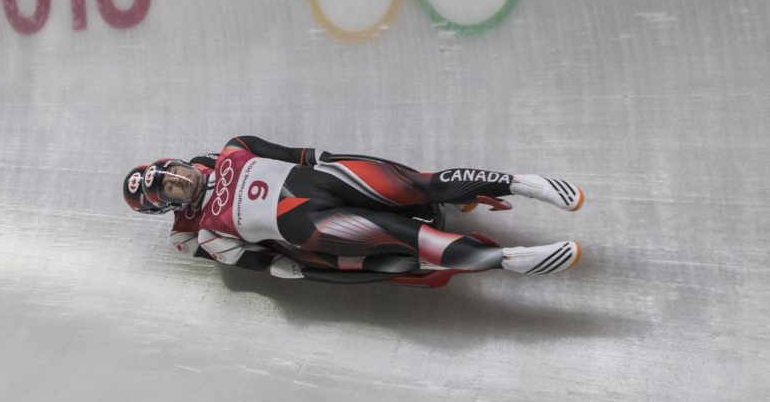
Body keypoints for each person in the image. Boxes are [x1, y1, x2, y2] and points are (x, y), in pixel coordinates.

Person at [122, 135, 583, 286]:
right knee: (410, 239)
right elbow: (269, 263)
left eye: (174, 172)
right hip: (314, 226)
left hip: (325, 179)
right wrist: (312, 270)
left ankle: (523, 183)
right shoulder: (206, 236)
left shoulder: (234, 148)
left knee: (418, 183)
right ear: (169, 208)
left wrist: (338, 163)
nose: (182, 180)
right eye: (172, 189)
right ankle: (507, 260)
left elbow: (301, 155)